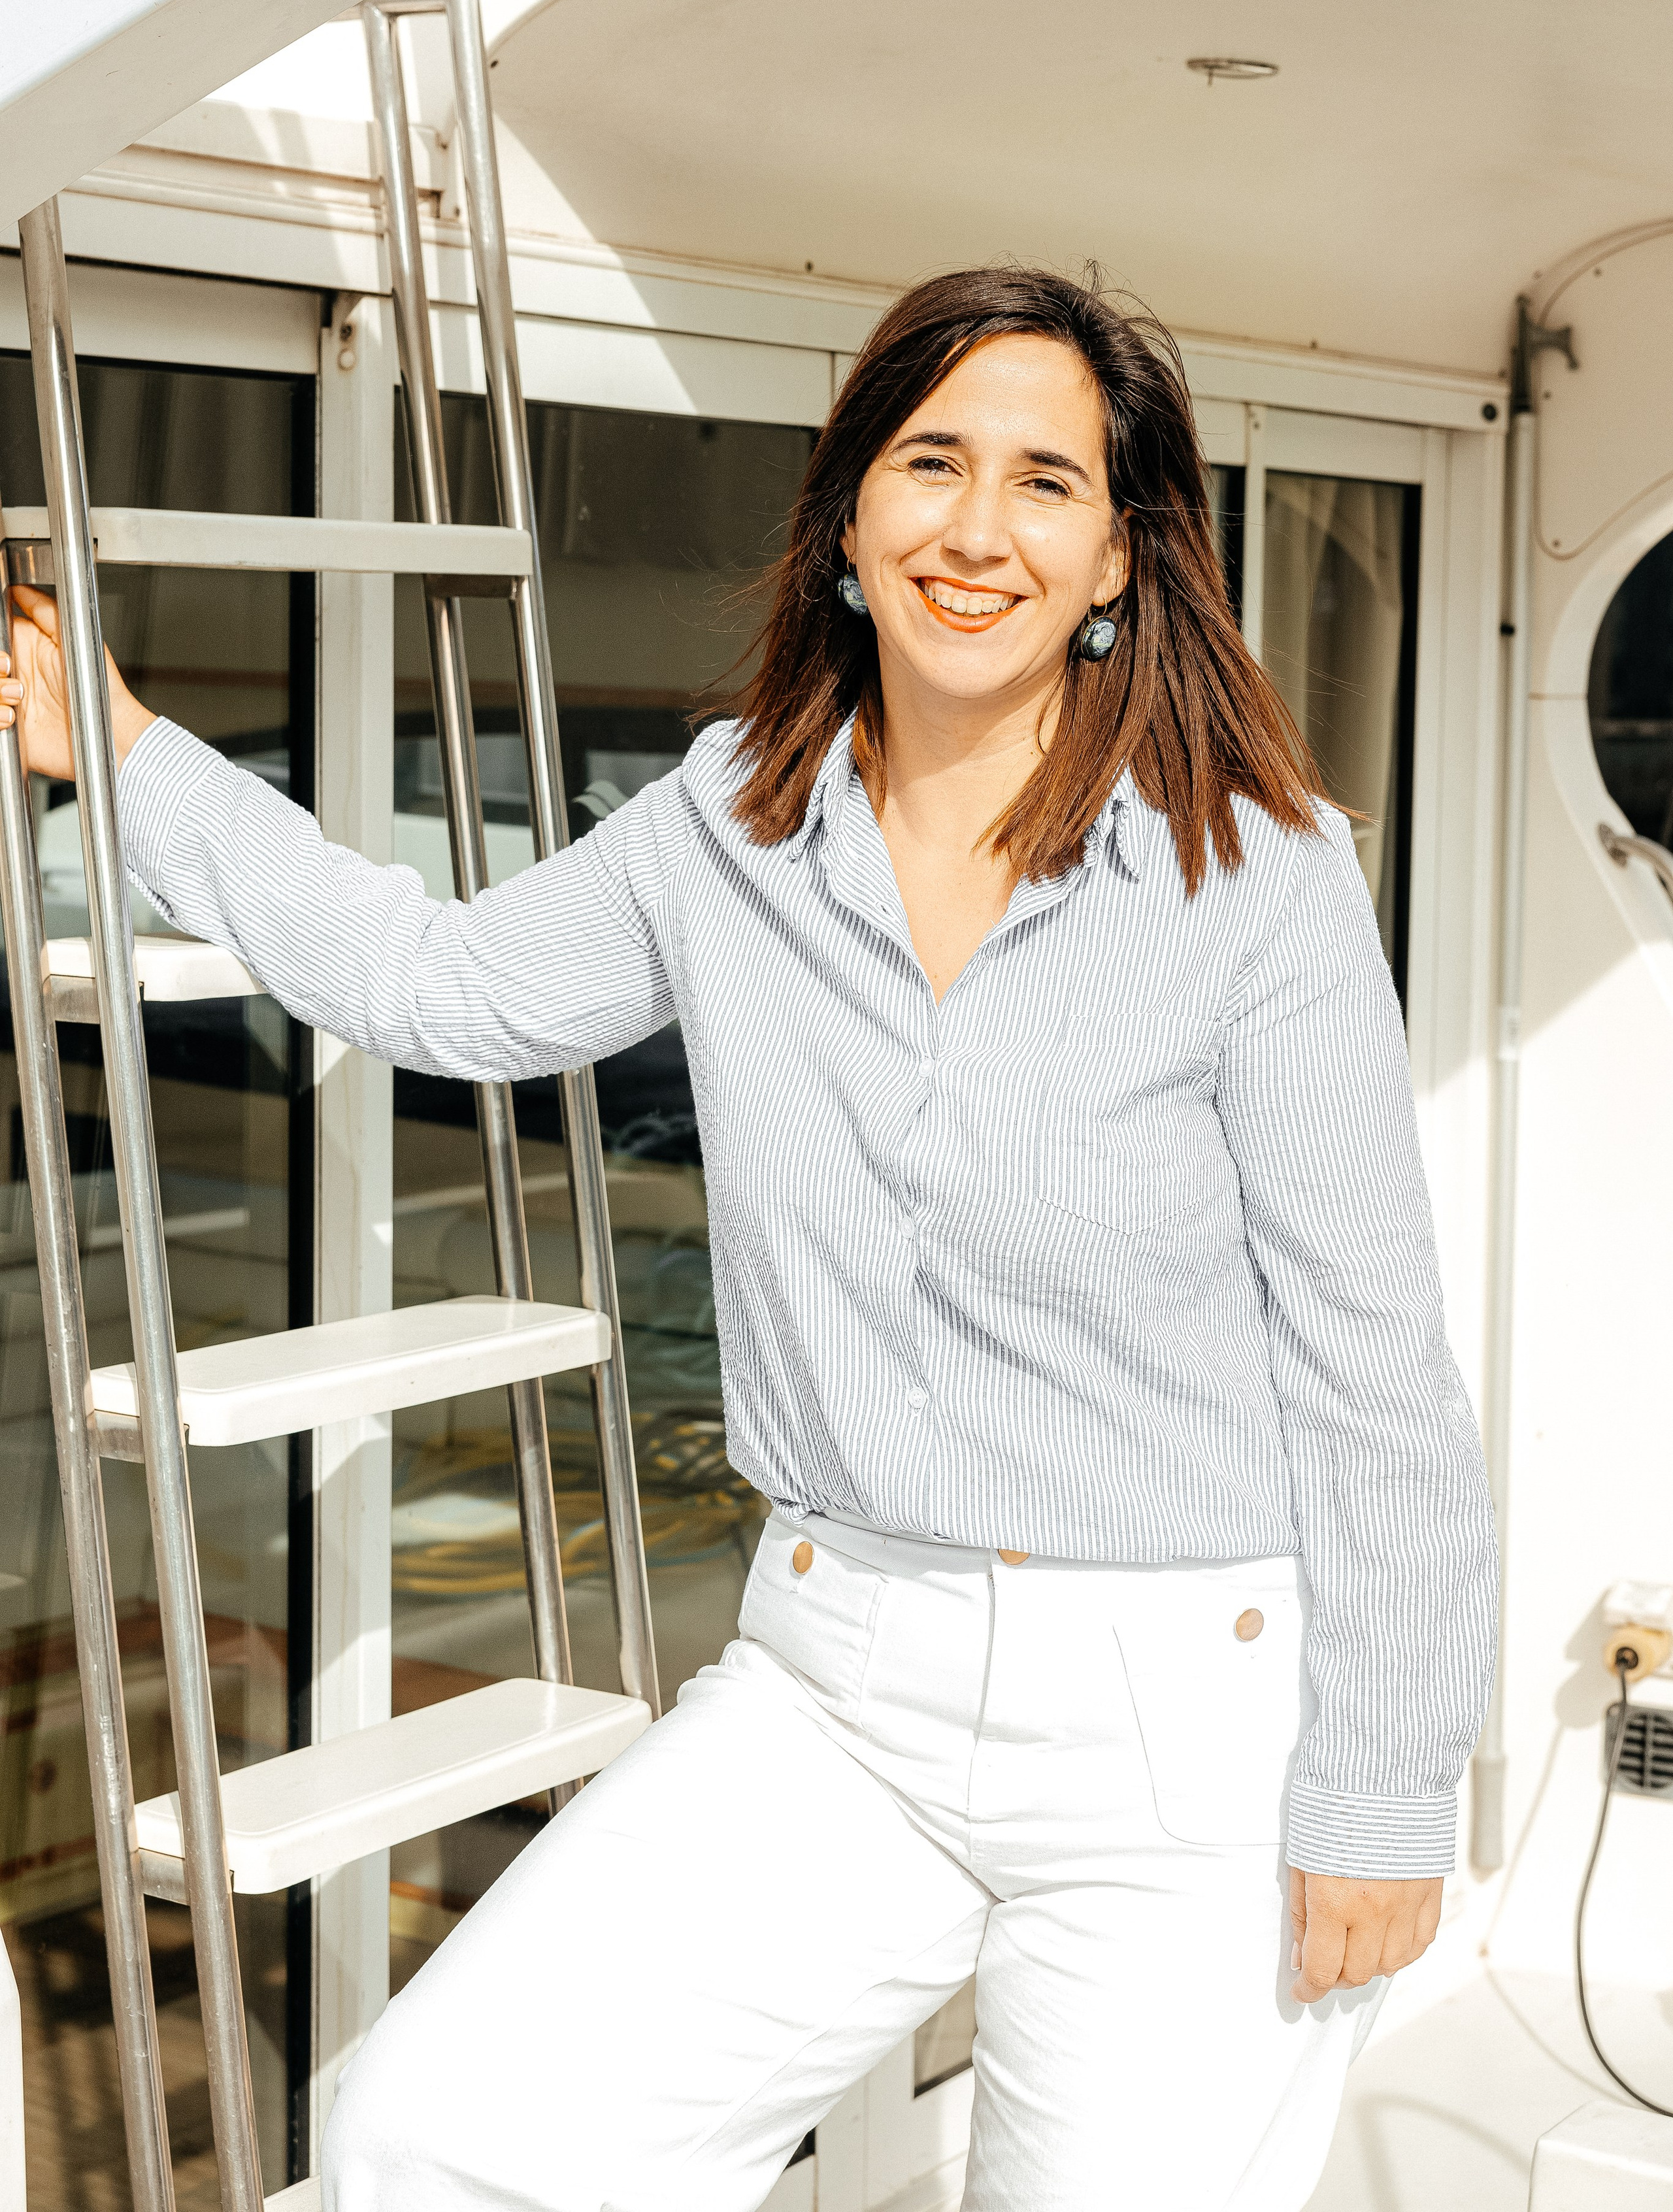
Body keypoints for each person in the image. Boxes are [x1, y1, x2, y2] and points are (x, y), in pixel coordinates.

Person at [3, 266, 1495, 2212]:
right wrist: (115, 742)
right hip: (833, 1678)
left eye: (1047, 481)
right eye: (930, 462)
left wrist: (1380, 1794)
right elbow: (437, 985)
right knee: (434, 2141)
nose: (977, 528)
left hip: (1185, 1726)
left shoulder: (1255, 873)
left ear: (1123, 550)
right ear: (849, 518)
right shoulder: (730, 820)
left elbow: (1376, 1373)